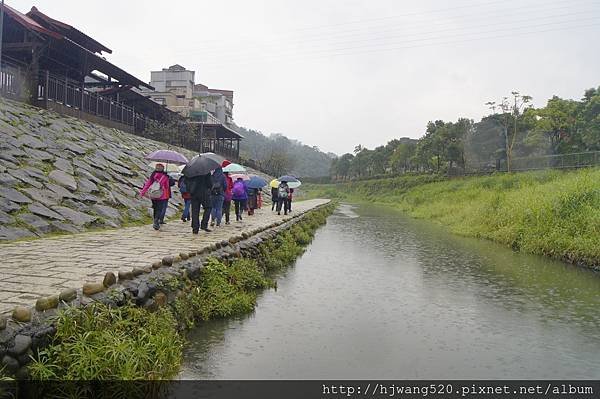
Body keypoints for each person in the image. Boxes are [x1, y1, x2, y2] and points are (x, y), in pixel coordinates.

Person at [139, 163, 171, 230]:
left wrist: (142, 192)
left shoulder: (153, 175)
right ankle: (156, 221)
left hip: (153, 195)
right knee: (159, 209)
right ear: (163, 169)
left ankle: (155, 221)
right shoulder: (165, 176)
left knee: (155, 208)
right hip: (162, 195)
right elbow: (167, 186)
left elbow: (147, 184)